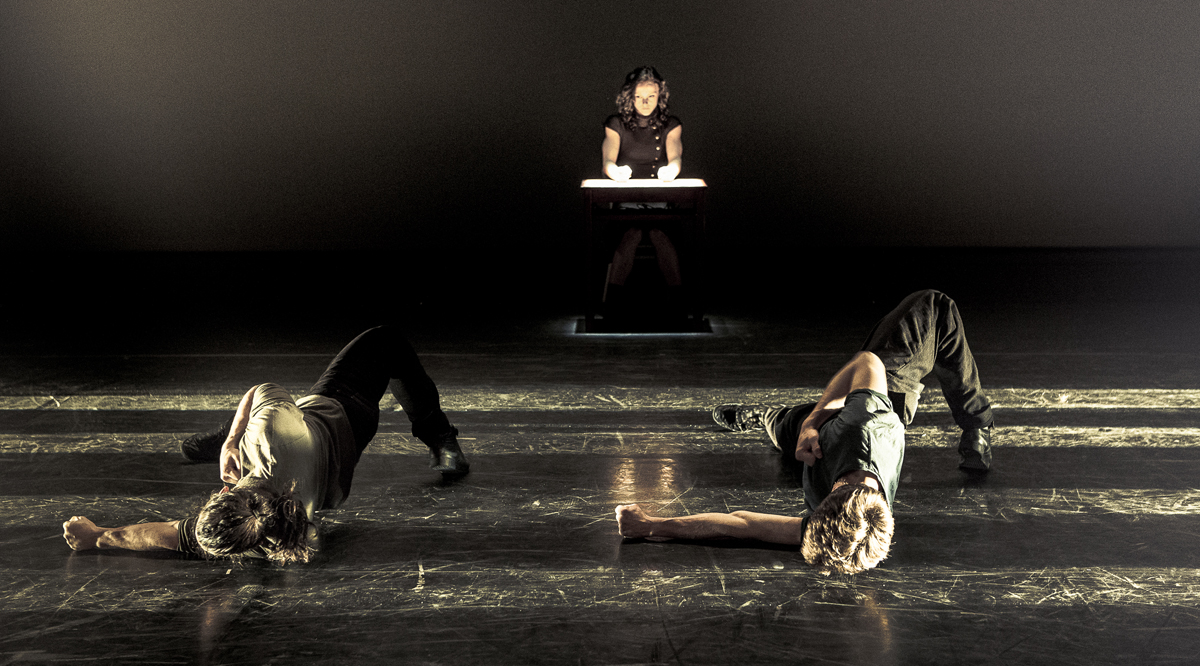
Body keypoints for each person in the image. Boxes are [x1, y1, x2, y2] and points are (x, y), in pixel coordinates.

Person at [615, 290, 995, 574]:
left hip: (834, 435)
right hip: (884, 395)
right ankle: (978, 423)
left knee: (785, 425)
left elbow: (744, 525)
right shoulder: (863, 428)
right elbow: (867, 362)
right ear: (835, 493)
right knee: (935, 305)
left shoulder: (844, 525)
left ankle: (770, 417)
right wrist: (814, 422)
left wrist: (653, 525)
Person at [62, 326, 469, 564]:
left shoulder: (262, 537)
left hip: (336, 471)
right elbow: (262, 390)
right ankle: (441, 439)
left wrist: (97, 536)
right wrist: (234, 441)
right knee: (386, 340)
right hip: (342, 412)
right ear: (225, 493)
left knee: (249, 435)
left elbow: (164, 535)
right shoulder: (271, 437)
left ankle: (219, 442)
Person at [601, 65, 685, 309]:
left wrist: (671, 171)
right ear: (630, 97)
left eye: (651, 96)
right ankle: (612, 304)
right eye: (639, 96)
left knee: (660, 236)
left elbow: (676, 158)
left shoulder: (670, 124)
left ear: (660, 96)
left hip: (660, 200)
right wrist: (615, 172)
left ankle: (678, 303)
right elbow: (607, 161)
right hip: (626, 201)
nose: (645, 102)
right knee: (631, 235)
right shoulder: (616, 123)